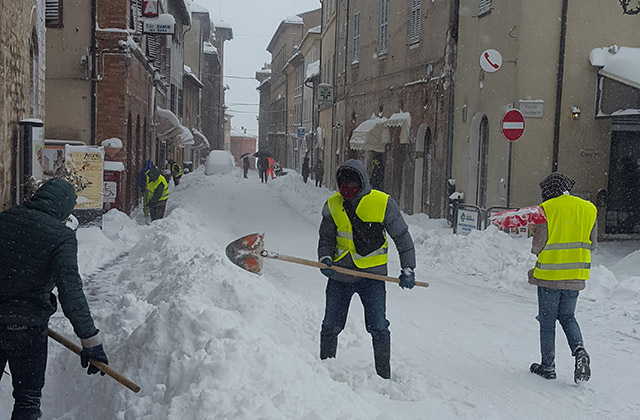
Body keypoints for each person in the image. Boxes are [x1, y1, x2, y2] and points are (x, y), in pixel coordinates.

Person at [0, 178, 109, 419]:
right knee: (27, 401)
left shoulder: (4, 220)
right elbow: (70, 290)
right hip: (28, 332)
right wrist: (91, 342)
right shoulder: (61, 237)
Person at [317, 159, 416, 379]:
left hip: (372, 277)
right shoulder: (333, 205)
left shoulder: (382, 203)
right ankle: (324, 371)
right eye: (343, 186)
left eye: (352, 186)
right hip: (340, 276)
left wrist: (408, 267)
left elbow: (402, 237)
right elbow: (326, 237)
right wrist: (325, 258)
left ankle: (383, 376)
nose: (347, 191)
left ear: (362, 183)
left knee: (378, 326)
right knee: (331, 325)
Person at [528, 172, 596, 383]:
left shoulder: (547, 209)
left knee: (547, 321)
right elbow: (592, 244)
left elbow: (538, 245)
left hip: (550, 275)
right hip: (576, 275)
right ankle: (579, 351)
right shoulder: (589, 208)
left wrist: (534, 234)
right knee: (568, 317)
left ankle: (548, 366)